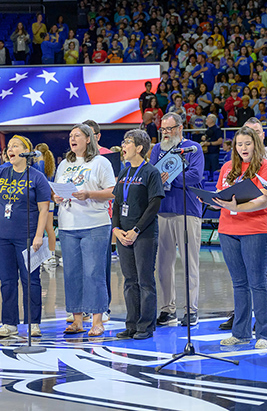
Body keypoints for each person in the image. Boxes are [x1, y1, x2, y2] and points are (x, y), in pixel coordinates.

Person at [0, 135, 51, 338]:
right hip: (1, 237)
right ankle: (9, 323)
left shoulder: (37, 177)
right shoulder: (0, 173)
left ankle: (33, 323)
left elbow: (44, 208)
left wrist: (39, 235)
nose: (10, 150)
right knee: (7, 280)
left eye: (15, 146)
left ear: (26, 151)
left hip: (27, 236)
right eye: (8, 147)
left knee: (31, 280)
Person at [214, 125, 267, 349]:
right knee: (239, 283)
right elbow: (221, 193)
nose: (243, 148)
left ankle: (264, 333)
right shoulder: (227, 167)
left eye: (247, 144)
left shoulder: (266, 167)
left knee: (257, 283)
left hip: (256, 229)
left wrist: (238, 206)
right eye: (239, 144)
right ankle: (240, 332)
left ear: (256, 144)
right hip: (228, 229)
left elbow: (264, 200)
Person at [53, 124, 115, 337]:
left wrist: (89, 194)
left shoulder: (101, 162)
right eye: (70, 135)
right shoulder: (64, 164)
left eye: (76, 135)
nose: (72, 138)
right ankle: (77, 320)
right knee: (72, 273)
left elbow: (112, 192)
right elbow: (57, 190)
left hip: (95, 224)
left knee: (93, 273)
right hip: (68, 225)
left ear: (88, 139)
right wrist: (57, 197)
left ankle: (97, 321)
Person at [150, 112, 204, 327]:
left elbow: (195, 177)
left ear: (180, 128)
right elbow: (154, 175)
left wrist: (169, 178)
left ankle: (191, 309)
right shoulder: (156, 149)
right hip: (162, 210)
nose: (166, 133)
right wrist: (169, 177)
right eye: (163, 129)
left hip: (187, 210)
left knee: (190, 262)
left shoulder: (193, 148)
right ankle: (167, 309)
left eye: (170, 129)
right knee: (163, 265)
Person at [112, 129, 165, 340]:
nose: (124, 146)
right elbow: (116, 203)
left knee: (145, 280)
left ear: (139, 147)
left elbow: (154, 205)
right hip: (123, 233)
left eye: (128, 142)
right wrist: (116, 229)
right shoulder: (124, 173)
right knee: (129, 280)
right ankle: (131, 324)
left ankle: (146, 326)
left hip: (143, 234)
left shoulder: (151, 172)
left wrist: (136, 230)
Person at [34, 143, 59, 268]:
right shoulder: (51, 165)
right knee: (49, 228)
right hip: (51, 200)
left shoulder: (38, 165)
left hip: (41, 201)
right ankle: (51, 255)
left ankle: (43, 256)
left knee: (40, 229)